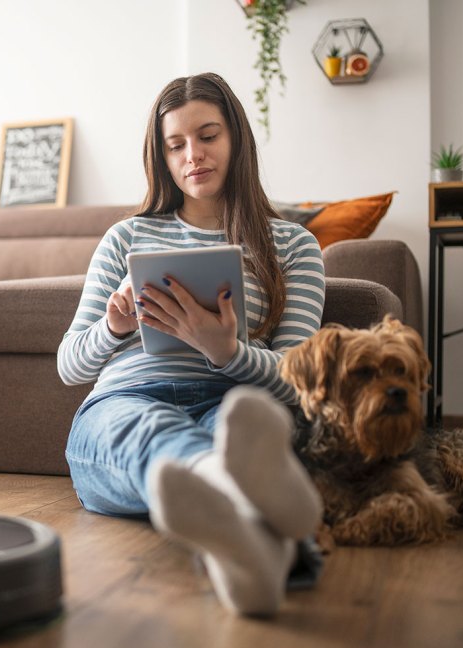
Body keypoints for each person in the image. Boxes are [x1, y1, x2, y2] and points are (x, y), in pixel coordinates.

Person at [57, 72, 325, 617]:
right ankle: (247, 508)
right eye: (175, 144)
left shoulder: (294, 244)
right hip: (127, 398)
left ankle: (232, 516)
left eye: (208, 136)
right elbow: (69, 366)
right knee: (147, 428)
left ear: (237, 141)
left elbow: (303, 381)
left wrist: (228, 352)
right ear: (161, 156)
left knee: (239, 423)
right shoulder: (126, 237)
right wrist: (115, 326)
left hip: (231, 395)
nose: (192, 155)